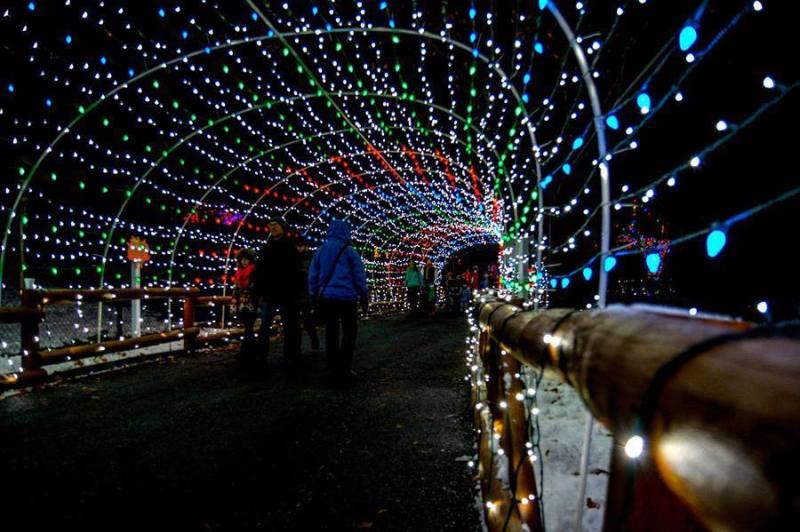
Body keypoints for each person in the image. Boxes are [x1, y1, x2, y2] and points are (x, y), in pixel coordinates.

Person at [308, 219, 368, 384]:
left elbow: (313, 275)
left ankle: (332, 365)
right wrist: (364, 297)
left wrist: (313, 294)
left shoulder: (321, 250)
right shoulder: (350, 251)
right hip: (348, 298)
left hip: (328, 298)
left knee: (331, 331)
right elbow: (359, 277)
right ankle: (344, 367)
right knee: (350, 332)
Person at [254, 217, 303, 369]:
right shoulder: (266, 248)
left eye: (276, 225)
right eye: (271, 225)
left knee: (290, 326)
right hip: (269, 293)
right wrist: (259, 291)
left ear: (283, 227)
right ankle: (261, 357)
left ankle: (291, 356)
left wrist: (296, 291)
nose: (273, 228)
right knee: (264, 326)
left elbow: (296, 271)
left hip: (287, 293)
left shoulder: (289, 247)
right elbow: (260, 271)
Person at [231, 248, 258, 358]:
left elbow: (256, 287)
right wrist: (234, 300)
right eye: (242, 259)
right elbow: (236, 288)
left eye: (246, 259)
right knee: (247, 326)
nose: (244, 262)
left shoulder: (254, 271)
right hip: (242, 304)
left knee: (249, 326)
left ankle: (246, 351)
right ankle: (250, 349)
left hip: (251, 303)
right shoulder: (238, 272)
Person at [296, 236, 321, 352]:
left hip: (306, 292)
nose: (299, 248)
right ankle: (297, 347)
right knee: (296, 321)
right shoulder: (293, 257)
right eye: (297, 246)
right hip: (296, 292)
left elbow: (313, 273)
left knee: (307, 320)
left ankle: (314, 341)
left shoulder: (310, 257)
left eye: (300, 246)